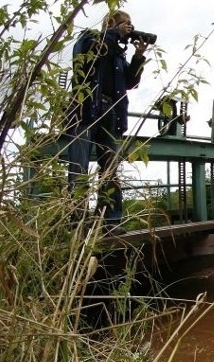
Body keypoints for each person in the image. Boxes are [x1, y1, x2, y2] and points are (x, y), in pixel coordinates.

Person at [65, 10, 149, 233]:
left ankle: (110, 222)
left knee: (110, 169)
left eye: (131, 24)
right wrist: (113, 34)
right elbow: (82, 54)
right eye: (125, 24)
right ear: (111, 24)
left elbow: (129, 83)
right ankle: (78, 223)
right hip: (85, 111)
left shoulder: (119, 55)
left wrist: (138, 56)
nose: (129, 28)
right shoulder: (91, 38)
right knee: (79, 168)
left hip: (112, 112)